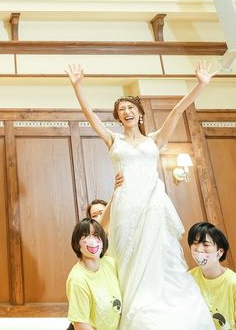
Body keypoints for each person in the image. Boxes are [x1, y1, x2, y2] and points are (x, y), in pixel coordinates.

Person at [66, 61, 215, 329]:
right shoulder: (114, 140)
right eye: (122, 110)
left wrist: (200, 85)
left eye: (131, 108)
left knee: (161, 256)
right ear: (118, 117)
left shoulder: (154, 140)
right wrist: (78, 86)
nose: (127, 112)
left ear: (140, 113)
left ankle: (167, 314)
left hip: (153, 204)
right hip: (125, 206)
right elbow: (90, 116)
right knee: (128, 259)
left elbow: (177, 110)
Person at [66, 217, 121, 330]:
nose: (92, 240)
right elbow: (81, 325)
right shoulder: (77, 279)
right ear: (77, 243)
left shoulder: (110, 264)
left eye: (96, 235)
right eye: (85, 235)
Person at [188, 222, 236, 328]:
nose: (199, 249)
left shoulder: (233, 283)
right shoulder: (188, 279)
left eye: (206, 244)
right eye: (194, 243)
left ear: (219, 252)